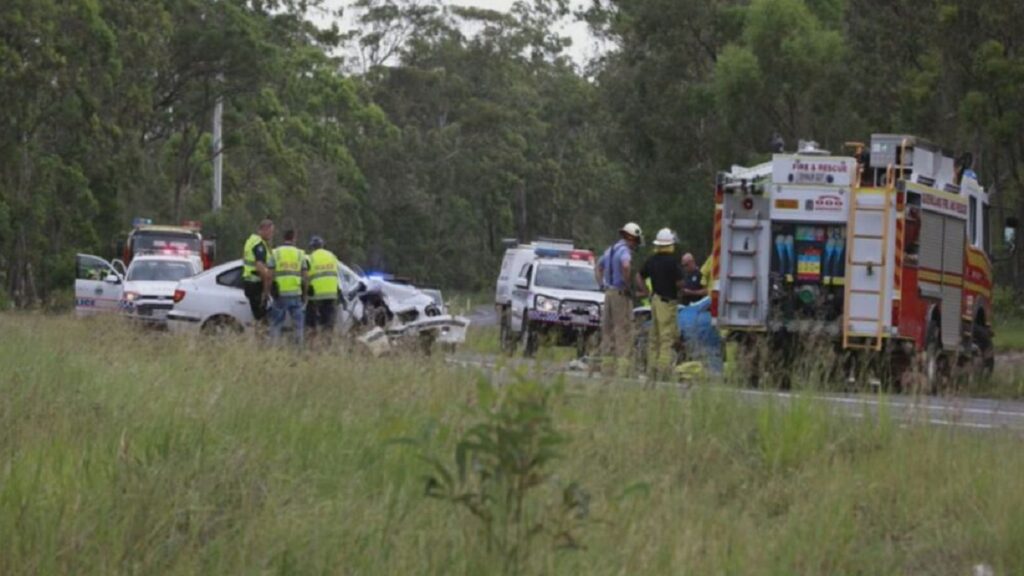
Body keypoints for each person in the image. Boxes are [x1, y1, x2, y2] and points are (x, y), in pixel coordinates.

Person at [595, 222, 647, 378]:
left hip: (609, 293)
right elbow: (626, 266)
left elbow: (598, 267)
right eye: (636, 239)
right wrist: (627, 283)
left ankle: (607, 369)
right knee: (623, 331)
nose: (637, 243)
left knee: (608, 331)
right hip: (620, 295)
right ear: (631, 238)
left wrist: (602, 285)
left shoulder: (611, 250)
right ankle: (623, 371)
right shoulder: (624, 251)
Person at [640, 228, 685, 381]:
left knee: (654, 336)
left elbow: (638, 276)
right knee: (667, 338)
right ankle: (662, 371)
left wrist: (647, 291)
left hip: (655, 300)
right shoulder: (672, 262)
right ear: (670, 244)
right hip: (667, 302)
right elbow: (679, 283)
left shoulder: (652, 259)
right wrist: (682, 290)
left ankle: (651, 369)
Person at [269, 229, 308, 347]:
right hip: (296, 294)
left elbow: (269, 275)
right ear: (294, 238)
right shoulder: (300, 254)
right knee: (298, 326)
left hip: (280, 295)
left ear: (283, 238)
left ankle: (273, 350)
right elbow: (305, 277)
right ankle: (298, 351)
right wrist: (305, 295)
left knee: (276, 325)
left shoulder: (275, 253)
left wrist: (269, 291)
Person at [305, 235, 341, 342]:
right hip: (331, 295)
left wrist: (306, 291)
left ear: (312, 247)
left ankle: (312, 343)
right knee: (328, 323)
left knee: (311, 323)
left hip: (315, 295)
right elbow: (337, 273)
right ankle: (327, 344)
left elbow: (306, 277)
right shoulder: (332, 256)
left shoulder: (309, 258)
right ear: (322, 245)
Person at [242, 219, 274, 321]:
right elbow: (261, 268)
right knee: (261, 317)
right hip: (256, 283)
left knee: (259, 317)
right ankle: (260, 336)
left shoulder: (251, 241)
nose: (271, 235)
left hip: (249, 281)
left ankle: (259, 334)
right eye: (270, 232)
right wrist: (266, 291)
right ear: (264, 229)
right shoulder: (259, 245)